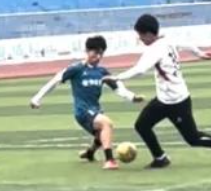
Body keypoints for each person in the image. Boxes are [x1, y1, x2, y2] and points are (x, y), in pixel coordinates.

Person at [106, 14, 211, 169]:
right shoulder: (167, 39)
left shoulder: (155, 49)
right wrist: (199, 53)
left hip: (177, 101)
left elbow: (140, 69)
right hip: (163, 99)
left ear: (149, 34)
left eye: (141, 35)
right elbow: (186, 44)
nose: (140, 39)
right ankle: (160, 158)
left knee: (193, 138)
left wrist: (117, 77)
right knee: (142, 125)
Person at [29, 35, 144, 170]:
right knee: (106, 124)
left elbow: (117, 87)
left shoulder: (102, 72)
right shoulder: (76, 69)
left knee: (101, 134)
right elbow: (55, 81)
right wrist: (37, 98)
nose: (98, 57)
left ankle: (90, 153)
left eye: (101, 54)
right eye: (95, 52)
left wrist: (132, 97)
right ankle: (110, 160)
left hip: (95, 109)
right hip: (82, 111)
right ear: (87, 51)